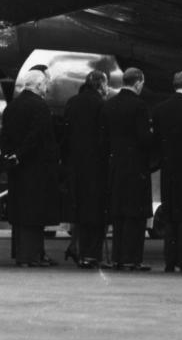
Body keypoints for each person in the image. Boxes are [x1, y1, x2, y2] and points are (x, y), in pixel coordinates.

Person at [1, 69, 61, 267]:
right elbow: (37, 136)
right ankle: (32, 255)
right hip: (37, 168)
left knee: (20, 213)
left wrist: (11, 156)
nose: (47, 88)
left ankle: (21, 254)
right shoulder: (40, 107)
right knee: (35, 214)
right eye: (44, 84)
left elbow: (5, 136)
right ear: (37, 85)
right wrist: (21, 154)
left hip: (16, 168)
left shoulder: (12, 107)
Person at [100, 67, 153, 271]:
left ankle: (118, 257)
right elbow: (144, 138)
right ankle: (133, 258)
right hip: (135, 166)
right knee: (135, 216)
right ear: (138, 82)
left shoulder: (109, 105)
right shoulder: (139, 106)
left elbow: (104, 138)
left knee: (118, 214)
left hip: (115, 166)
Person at [151, 71, 182, 272]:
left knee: (169, 215)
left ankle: (170, 260)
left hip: (167, 168)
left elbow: (156, 141)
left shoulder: (160, 109)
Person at [61, 70, 109, 268]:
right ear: (100, 85)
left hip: (75, 164)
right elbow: (103, 137)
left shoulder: (72, 102)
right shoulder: (100, 105)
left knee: (79, 209)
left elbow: (66, 133)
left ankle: (76, 248)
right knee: (96, 211)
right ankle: (91, 254)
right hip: (95, 166)